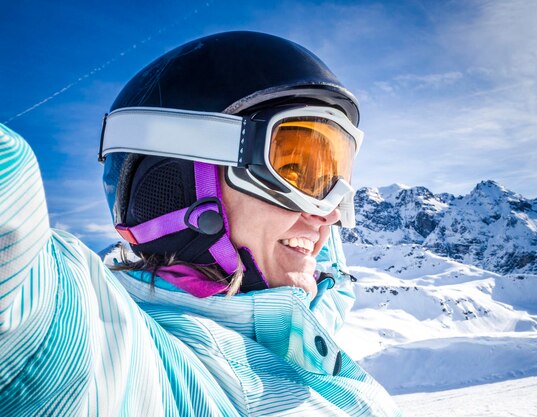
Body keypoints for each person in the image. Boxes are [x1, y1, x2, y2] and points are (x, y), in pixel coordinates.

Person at [0, 31, 402, 416]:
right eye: (296, 173)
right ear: (181, 186)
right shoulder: (143, 368)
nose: (329, 212)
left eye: (333, 180)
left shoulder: (301, 315)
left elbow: (332, 285)